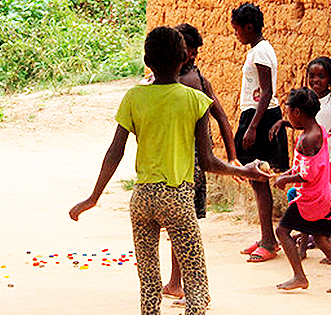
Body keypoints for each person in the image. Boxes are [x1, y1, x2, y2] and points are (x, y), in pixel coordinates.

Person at [69, 26, 271, 315]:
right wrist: (247, 170)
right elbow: (209, 162)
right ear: (183, 59)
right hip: (177, 198)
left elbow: (115, 152)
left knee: (149, 283)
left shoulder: (133, 98)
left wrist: (93, 197)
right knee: (195, 277)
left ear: (148, 62)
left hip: (141, 199)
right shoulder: (195, 101)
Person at [163, 23, 238, 303]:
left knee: (183, 225)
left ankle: (186, 287)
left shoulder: (192, 82)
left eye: (182, 46)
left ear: (192, 52)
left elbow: (222, 118)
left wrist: (232, 158)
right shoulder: (174, 78)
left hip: (189, 163)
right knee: (178, 223)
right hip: (177, 159)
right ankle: (175, 282)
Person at [271, 56, 331, 262]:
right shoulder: (308, 99)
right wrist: (285, 123)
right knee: (307, 199)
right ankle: (302, 248)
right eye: (312, 76)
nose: (315, 80)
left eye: (321, 76)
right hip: (317, 158)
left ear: (330, 78)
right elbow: (307, 124)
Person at [230, 2, 290, 262]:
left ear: (250, 27)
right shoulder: (257, 50)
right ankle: (266, 236)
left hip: (262, 118)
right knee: (257, 180)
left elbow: (266, 92)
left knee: (260, 178)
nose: (236, 35)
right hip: (256, 115)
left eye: (237, 30)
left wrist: (253, 126)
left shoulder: (262, 52)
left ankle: (268, 240)